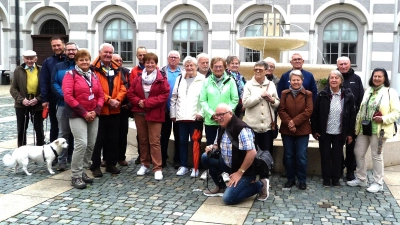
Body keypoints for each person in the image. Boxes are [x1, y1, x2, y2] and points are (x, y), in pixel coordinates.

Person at [201, 103, 269, 204]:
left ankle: (260, 185)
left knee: (229, 199)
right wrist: (211, 147)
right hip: (229, 164)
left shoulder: (241, 128)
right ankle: (221, 187)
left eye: (221, 115)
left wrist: (239, 173)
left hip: (245, 169)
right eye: (217, 115)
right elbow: (217, 145)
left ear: (230, 113)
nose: (219, 118)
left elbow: (252, 153)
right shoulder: (222, 126)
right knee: (206, 157)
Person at [347, 68, 400, 193]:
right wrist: (356, 127)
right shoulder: (368, 91)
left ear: (385, 78)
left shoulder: (390, 92)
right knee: (358, 152)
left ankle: (378, 182)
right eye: (374, 76)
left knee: (376, 155)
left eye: (379, 76)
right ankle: (361, 179)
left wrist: (383, 118)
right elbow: (361, 110)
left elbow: (396, 112)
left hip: (379, 130)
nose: (376, 78)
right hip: (364, 128)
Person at [62, 49, 104, 189]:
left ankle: (83, 171)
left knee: (91, 144)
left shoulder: (94, 76)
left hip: (93, 114)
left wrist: (95, 110)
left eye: (87, 59)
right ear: (77, 61)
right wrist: (84, 112)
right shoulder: (70, 75)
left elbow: (101, 95)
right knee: (82, 144)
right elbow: (68, 96)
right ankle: (75, 175)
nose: (85, 62)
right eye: (81, 60)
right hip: (77, 114)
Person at [127, 52, 170, 180]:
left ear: (156, 64)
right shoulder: (138, 78)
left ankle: (157, 167)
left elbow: (164, 95)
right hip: (139, 113)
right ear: (144, 64)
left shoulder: (161, 78)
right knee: (143, 140)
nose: (150, 64)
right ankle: (144, 164)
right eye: (147, 62)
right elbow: (130, 93)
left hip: (155, 113)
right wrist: (139, 102)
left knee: (155, 141)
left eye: (152, 62)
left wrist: (146, 103)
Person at [311, 70, 356, 187]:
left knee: (337, 157)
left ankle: (336, 179)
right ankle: (326, 179)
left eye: (336, 78)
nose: (334, 80)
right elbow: (315, 114)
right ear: (329, 80)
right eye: (332, 78)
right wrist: (315, 130)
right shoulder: (322, 95)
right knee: (325, 156)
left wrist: (350, 133)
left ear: (341, 80)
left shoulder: (347, 95)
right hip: (324, 132)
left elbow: (352, 115)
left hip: (340, 132)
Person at [90, 43, 127, 177]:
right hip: (100, 110)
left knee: (113, 139)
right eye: (105, 52)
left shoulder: (117, 68)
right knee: (98, 139)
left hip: (115, 109)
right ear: (100, 53)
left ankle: (111, 163)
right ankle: (95, 165)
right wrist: (108, 100)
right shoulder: (93, 69)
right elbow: (94, 88)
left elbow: (124, 86)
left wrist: (118, 100)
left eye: (110, 53)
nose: (108, 55)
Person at [199, 57, 239, 181]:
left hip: (226, 121)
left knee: (226, 147)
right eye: (215, 66)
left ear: (224, 67)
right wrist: (212, 114)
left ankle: (226, 170)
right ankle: (211, 170)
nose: (218, 68)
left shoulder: (231, 81)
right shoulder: (206, 82)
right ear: (211, 67)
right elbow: (203, 100)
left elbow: (235, 99)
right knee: (211, 146)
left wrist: (225, 114)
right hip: (211, 120)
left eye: (220, 66)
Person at [242, 61, 279, 193]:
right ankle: (251, 178)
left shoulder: (271, 84)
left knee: (266, 153)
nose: (257, 72)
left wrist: (272, 100)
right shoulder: (249, 85)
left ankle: (265, 179)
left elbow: (277, 102)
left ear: (266, 71)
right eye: (255, 69)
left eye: (260, 70)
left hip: (267, 127)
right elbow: (245, 103)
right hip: (252, 126)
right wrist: (260, 96)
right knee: (251, 153)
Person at [170, 56, 205, 177]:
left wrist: (201, 113)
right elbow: (174, 98)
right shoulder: (180, 79)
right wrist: (173, 114)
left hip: (195, 118)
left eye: (192, 65)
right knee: (182, 141)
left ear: (196, 66)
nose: (189, 68)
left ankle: (195, 167)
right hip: (181, 117)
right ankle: (184, 165)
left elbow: (204, 99)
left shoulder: (202, 79)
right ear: (184, 67)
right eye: (187, 65)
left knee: (196, 142)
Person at [278, 70, 313, 190]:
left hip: (303, 130)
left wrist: (294, 122)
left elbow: (308, 111)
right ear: (290, 81)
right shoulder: (284, 93)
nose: (296, 82)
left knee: (301, 155)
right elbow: (281, 110)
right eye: (293, 80)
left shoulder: (307, 94)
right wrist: (289, 122)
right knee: (288, 155)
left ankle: (302, 180)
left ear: (302, 81)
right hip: (287, 130)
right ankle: (290, 179)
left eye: (298, 80)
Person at [51, 42, 79, 171]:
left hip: (79, 105)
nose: (71, 52)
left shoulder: (82, 65)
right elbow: (54, 83)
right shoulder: (58, 66)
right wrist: (66, 96)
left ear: (77, 51)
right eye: (69, 50)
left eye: (73, 50)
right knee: (63, 134)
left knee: (79, 134)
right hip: (63, 104)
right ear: (65, 51)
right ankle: (62, 161)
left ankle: (77, 160)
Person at [337, 56, 364, 181]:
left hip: (352, 119)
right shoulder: (334, 77)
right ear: (337, 65)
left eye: (345, 64)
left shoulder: (356, 79)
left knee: (351, 146)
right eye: (341, 64)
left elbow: (361, 100)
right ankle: (339, 167)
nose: (343, 66)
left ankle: (350, 170)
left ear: (350, 64)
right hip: (337, 120)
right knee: (337, 145)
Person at [10, 50, 44, 147]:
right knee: (21, 128)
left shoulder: (41, 69)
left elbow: (46, 87)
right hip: (21, 104)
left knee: (39, 128)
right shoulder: (18, 70)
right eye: (27, 58)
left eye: (31, 58)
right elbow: (13, 88)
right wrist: (21, 100)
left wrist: (38, 99)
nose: (29, 61)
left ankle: (40, 149)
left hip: (37, 103)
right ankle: (21, 149)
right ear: (23, 59)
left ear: (35, 58)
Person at [40, 37, 66, 143]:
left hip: (70, 98)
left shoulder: (70, 60)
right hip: (53, 99)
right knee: (54, 125)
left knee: (70, 126)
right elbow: (44, 81)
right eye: (54, 46)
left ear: (63, 45)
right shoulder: (48, 62)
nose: (56, 47)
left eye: (58, 45)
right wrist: (44, 99)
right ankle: (54, 152)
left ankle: (69, 152)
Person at [160, 50, 182, 169]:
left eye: (175, 57)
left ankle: (177, 160)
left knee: (178, 136)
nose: (173, 59)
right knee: (164, 135)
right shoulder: (162, 72)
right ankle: (162, 158)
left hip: (178, 110)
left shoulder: (183, 73)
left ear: (179, 60)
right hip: (164, 109)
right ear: (168, 59)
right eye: (171, 57)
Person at [112, 54, 130, 167]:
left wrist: (129, 104)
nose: (119, 62)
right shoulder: (107, 71)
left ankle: (121, 157)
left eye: (120, 60)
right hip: (111, 106)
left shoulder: (127, 72)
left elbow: (131, 87)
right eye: (116, 60)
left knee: (123, 133)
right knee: (110, 134)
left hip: (124, 107)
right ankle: (108, 157)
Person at [130, 46, 147, 164]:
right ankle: (141, 156)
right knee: (140, 135)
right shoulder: (134, 71)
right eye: (140, 55)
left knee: (152, 135)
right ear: (137, 56)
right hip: (138, 106)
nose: (142, 57)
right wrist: (139, 101)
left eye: (144, 55)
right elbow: (132, 88)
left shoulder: (155, 68)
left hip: (150, 107)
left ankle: (150, 156)